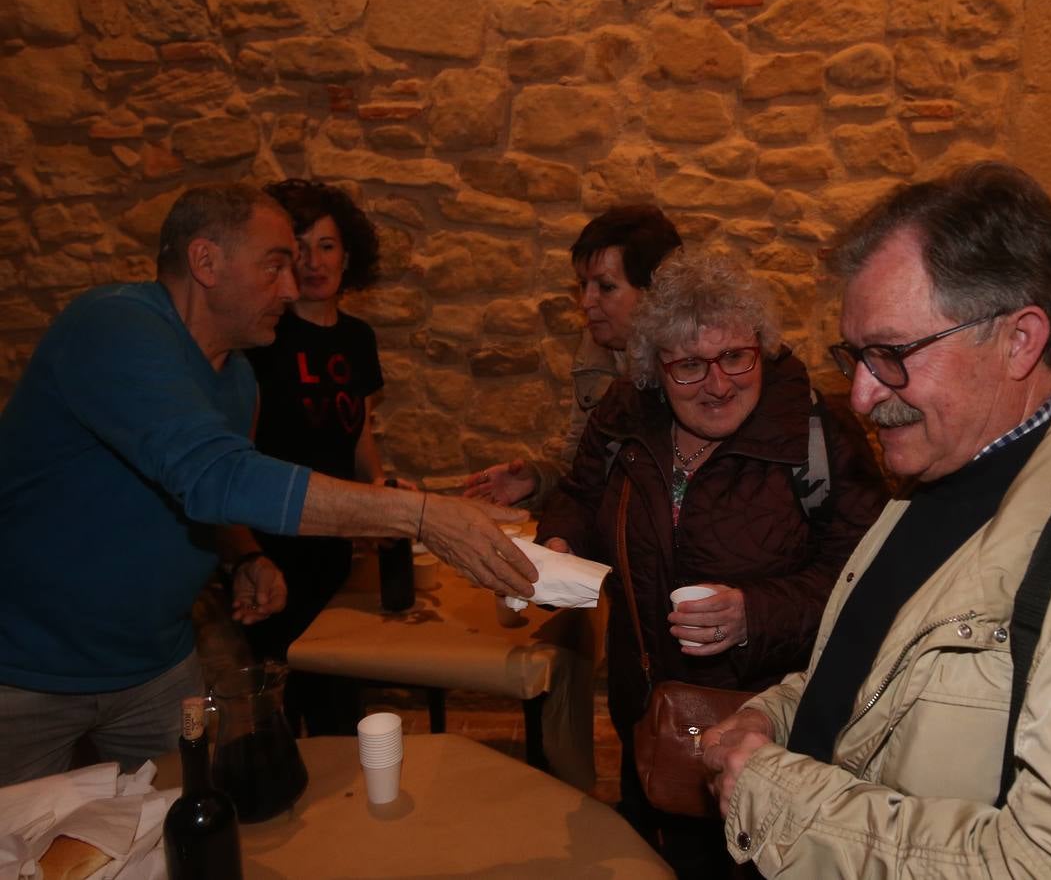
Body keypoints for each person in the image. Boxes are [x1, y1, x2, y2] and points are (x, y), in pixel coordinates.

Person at [702, 163, 1051, 877]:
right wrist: (777, 720)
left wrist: (777, 796)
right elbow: (889, 690)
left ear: (1020, 339)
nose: (863, 394)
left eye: (892, 354)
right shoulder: (933, 483)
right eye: (855, 356)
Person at [0, 183, 535, 786]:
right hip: (24, 672)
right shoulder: (112, 325)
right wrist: (421, 515)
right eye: (275, 265)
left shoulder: (238, 380)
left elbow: (200, 486)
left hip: (157, 667)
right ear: (206, 262)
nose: (290, 286)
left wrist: (245, 553)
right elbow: (216, 475)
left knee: (181, 834)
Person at [535, 250, 887, 878]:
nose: (718, 383)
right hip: (647, 707)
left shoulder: (817, 433)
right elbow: (579, 496)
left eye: (735, 357)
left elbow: (868, 581)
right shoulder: (623, 416)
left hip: (769, 726)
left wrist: (756, 613)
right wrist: (560, 544)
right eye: (690, 365)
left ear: (762, 348)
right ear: (655, 369)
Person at [241, 179, 389, 736]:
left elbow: (357, 431)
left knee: (335, 691)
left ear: (348, 256)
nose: (313, 261)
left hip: (334, 542)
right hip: (276, 543)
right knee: (278, 702)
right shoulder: (265, 338)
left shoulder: (358, 337)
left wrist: (377, 492)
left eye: (326, 246)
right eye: (298, 248)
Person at [466, 205, 681, 509]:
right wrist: (536, 481)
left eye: (605, 287)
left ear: (656, 292)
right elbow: (583, 472)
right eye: (583, 284)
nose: (586, 301)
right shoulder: (595, 347)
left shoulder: (688, 366)